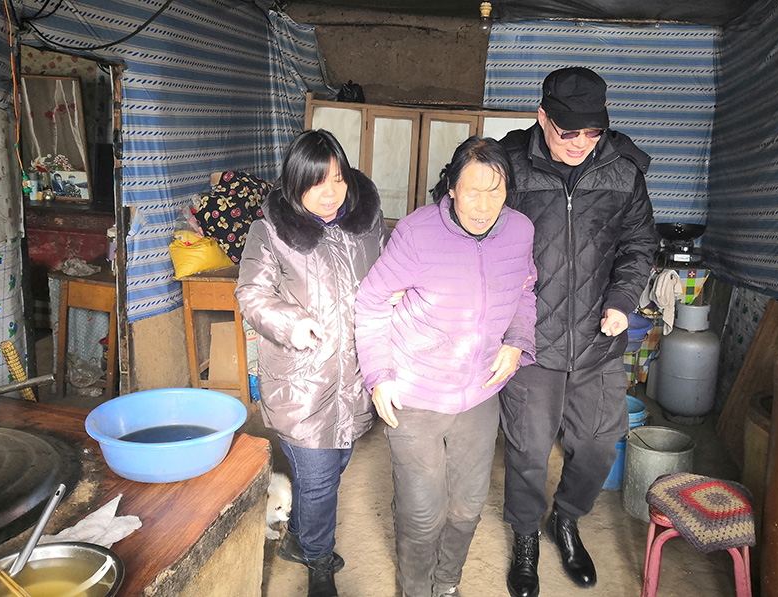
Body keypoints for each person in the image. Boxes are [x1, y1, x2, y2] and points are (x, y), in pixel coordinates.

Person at [498, 67, 657, 596]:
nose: (581, 143)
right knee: (527, 449)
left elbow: (639, 244)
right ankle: (525, 533)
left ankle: (566, 520)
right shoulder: (507, 165)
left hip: (597, 336)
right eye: (569, 132)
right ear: (542, 117)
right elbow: (470, 229)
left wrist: (622, 301)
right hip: (530, 338)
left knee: (598, 443)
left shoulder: (623, 170)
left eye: (593, 132)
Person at [355, 136, 537, 597]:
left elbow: (525, 291)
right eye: (472, 192)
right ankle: (415, 591)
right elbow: (372, 301)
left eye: (495, 192)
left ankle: (446, 584)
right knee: (422, 514)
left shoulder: (520, 231)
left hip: (479, 393)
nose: (483, 206)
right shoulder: (417, 232)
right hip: (415, 394)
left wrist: (517, 342)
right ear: (451, 188)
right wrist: (378, 375)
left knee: (468, 507)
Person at [235, 129, 388, 597]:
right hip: (301, 382)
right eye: (316, 182)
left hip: (353, 379)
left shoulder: (366, 226)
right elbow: (252, 293)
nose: (330, 193)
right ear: (294, 183)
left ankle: (297, 539)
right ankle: (319, 560)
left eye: (338, 179)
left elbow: (388, 277)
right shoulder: (270, 233)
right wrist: (290, 321)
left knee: (333, 465)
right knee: (320, 480)